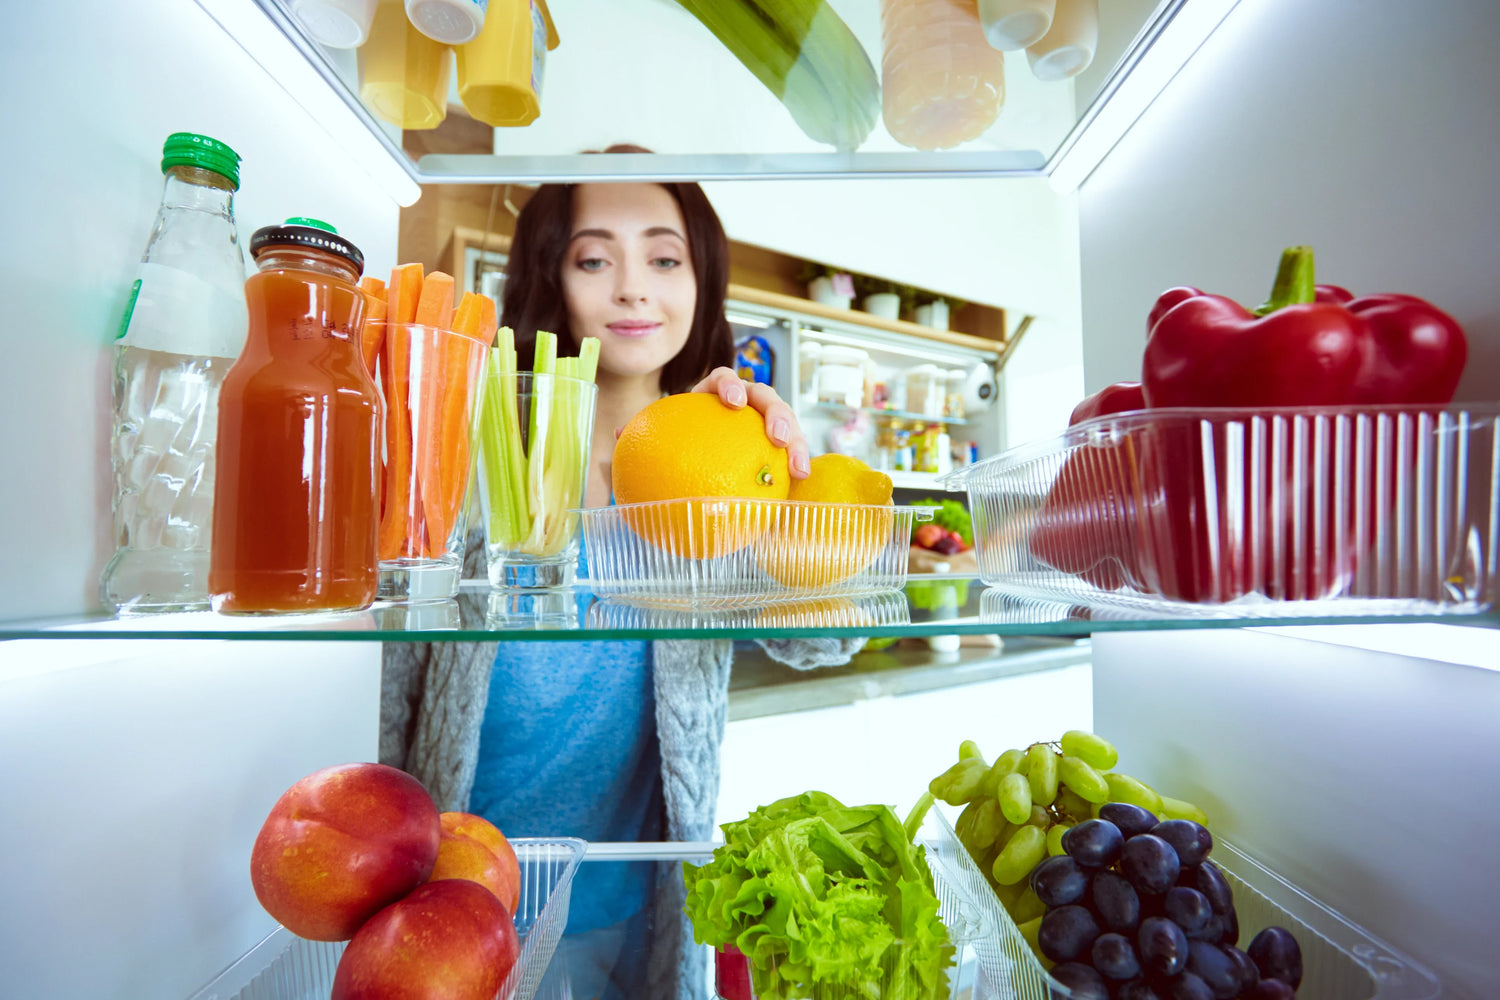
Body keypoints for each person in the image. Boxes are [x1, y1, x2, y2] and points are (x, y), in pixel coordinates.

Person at [381, 148, 864, 1000]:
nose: (634, 289)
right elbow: (390, 692)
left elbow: (824, 640)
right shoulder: (474, 460)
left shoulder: (717, 482)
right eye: (595, 258)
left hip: (631, 901)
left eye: (665, 258)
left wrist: (791, 480)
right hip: (450, 903)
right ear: (551, 279)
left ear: (700, 281)